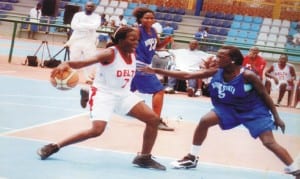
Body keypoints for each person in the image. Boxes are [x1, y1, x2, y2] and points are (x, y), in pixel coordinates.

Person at [140, 45, 300, 176]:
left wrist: (276, 117)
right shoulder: (217, 72)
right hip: (228, 108)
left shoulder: (248, 76)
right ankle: (192, 157)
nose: (216, 59)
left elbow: (264, 95)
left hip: (253, 111)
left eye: (220, 57)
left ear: (232, 60)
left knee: (269, 142)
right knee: (204, 121)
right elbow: (188, 75)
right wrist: (157, 71)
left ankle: (295, 169)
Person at [37, 26, 166, 171]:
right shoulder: (109, 53)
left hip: (123, 94)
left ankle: (144, 157)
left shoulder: (133, 53)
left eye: (137, 39)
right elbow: (84, 62)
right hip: (104, 95)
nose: (136, 42)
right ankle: (54, 146)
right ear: (121, 40)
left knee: (153, 119)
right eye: (132, 39)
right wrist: (66, 63)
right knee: (97, 131)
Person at [130, 7, 174, 131]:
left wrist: (166, 41)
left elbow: (156, 47)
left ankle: (92, 98)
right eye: (146, 18)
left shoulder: (154, 31)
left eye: (151, 18)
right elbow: (129, 44)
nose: (150, 20)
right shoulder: (137, 31)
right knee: (159, 90)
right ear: (140, 19)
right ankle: (156, 120)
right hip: (138, 65)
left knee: (122, 91)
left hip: (144, 64)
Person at [65, 1, 101, 84]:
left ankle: (88, 78)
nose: (89, 7)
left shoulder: (97, 17)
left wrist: (81, 25)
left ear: (94, 8)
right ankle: (72, 76)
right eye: (87, 6)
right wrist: (88, 27)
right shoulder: (78, 15)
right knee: (74, 58)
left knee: (90, 59)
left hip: (89, 40)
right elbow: (73, 26)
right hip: (77, 39)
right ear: (85, 6)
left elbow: (95, 26)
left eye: (91, 6)